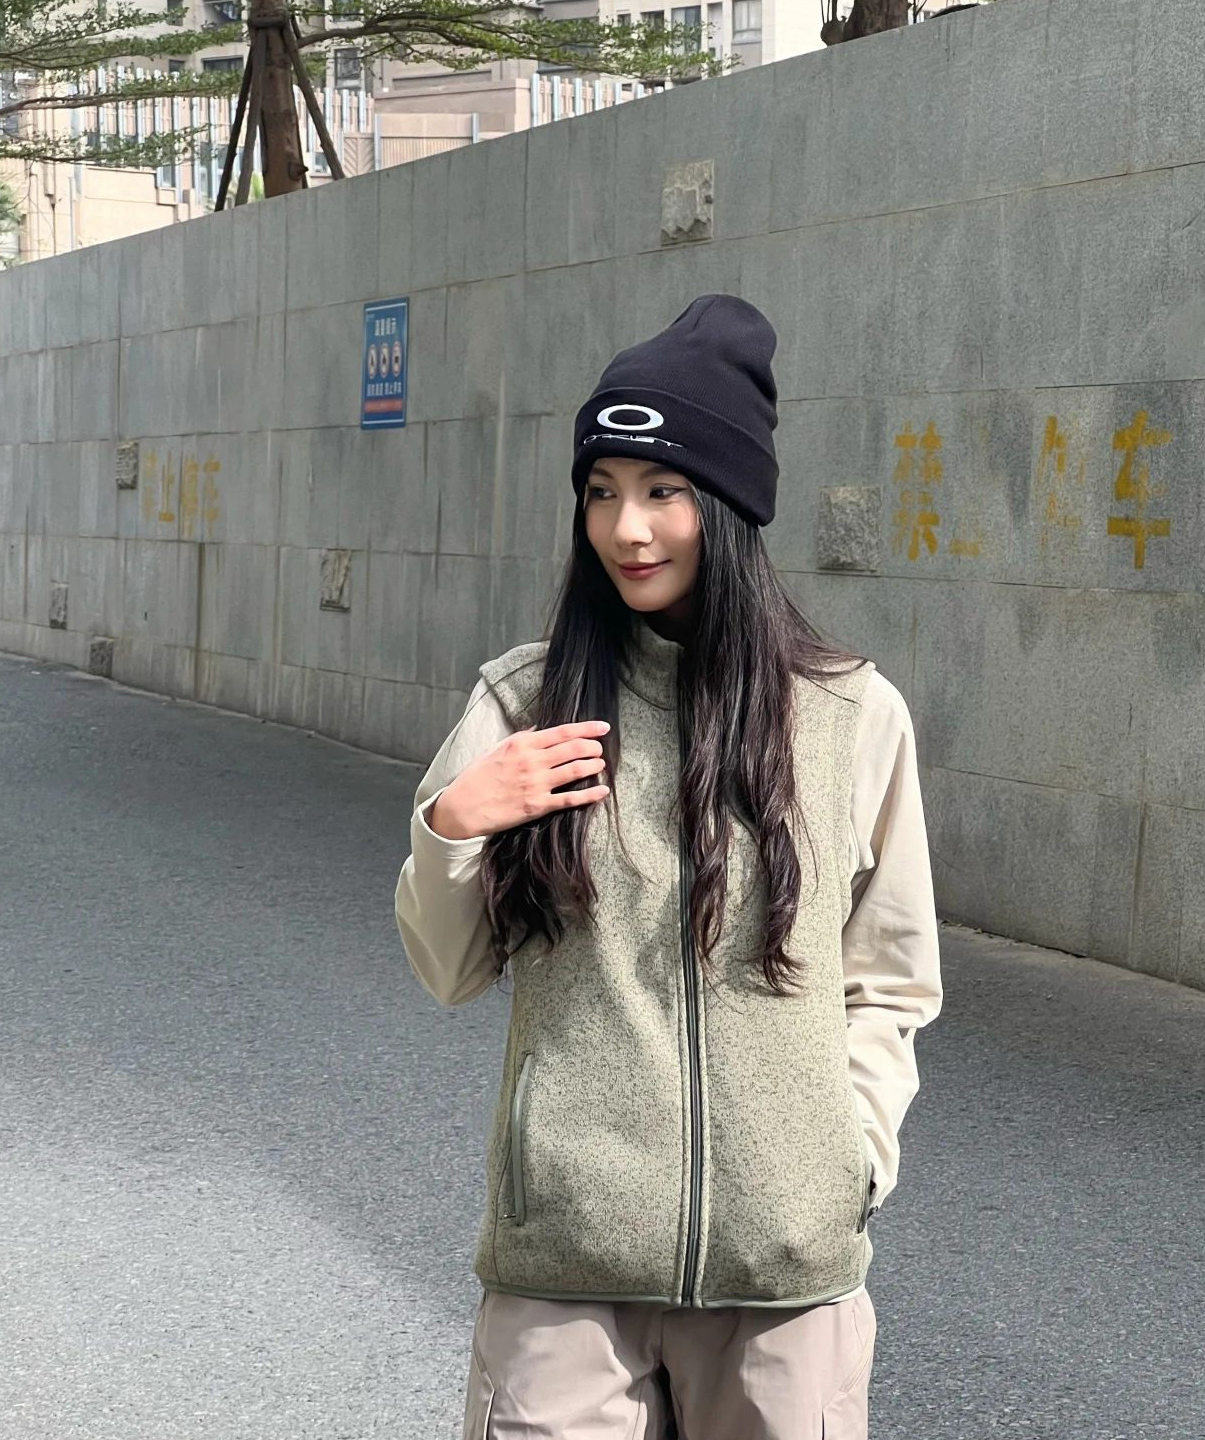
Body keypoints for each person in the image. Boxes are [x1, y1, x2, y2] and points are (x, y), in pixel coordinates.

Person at [394, 293, 942, 1439]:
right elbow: (448, 972)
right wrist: (454, 825)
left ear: (728, 506)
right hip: (566, 1269)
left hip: (783, 1278)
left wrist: (848, 1161)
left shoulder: (850, 717)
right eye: (601, 492)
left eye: (661, 491)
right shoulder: (527, 704)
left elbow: (890, 978)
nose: (626, 529)